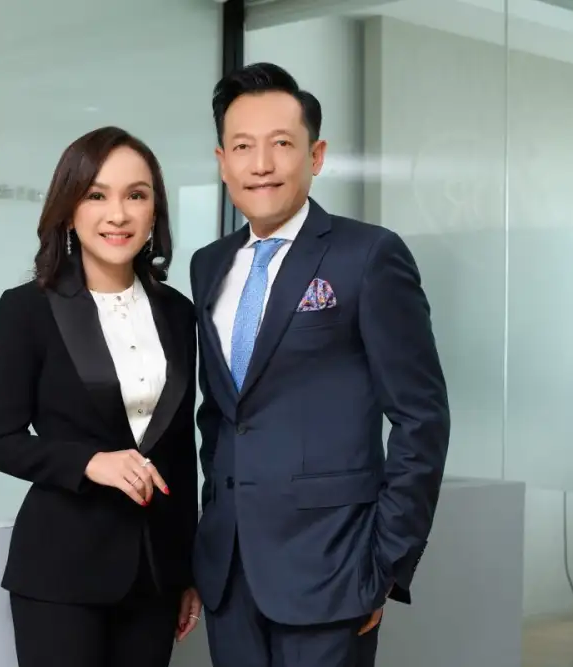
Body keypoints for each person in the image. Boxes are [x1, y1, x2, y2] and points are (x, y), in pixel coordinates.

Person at [189, 63, 451, 667]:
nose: (261, 164)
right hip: (229, 573)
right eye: (242, 147)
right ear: (223, 162)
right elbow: (221, 416)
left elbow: (421, 417)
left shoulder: (369, 255)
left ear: (317, 155)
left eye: (281, 144)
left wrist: (385, 562)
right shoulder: (209, 264)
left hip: (333, 567)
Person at [0, 126, 202, 667]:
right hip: (61, 572)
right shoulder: (27, 309)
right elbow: (1, 441)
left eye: (136, 195)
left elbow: (180, 451)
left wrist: (187, 571)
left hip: (154, 576)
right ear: (69, 210)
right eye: (97, 195)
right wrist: (90, 462)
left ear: (154, 211)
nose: (118, 214)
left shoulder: (178, 312)